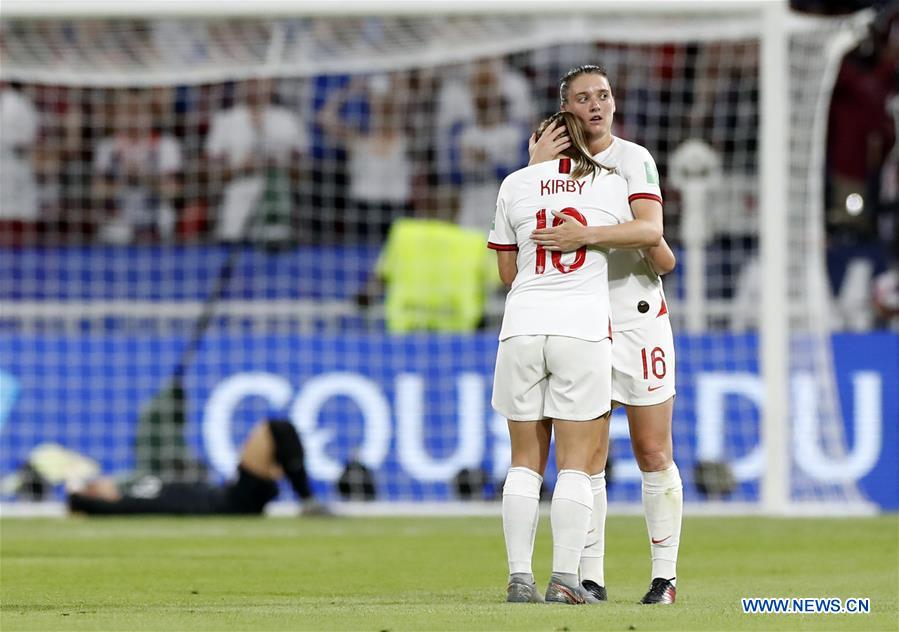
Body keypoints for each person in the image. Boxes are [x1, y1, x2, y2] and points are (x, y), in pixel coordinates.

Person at [528, 64, 681, 605]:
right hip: (581, 324)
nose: (597, 104)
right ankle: (588, 577)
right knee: (586, 456)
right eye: (584, 98)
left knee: (651, 448)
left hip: (638, 321)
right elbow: (523, 234)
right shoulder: (552, 171)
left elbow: (653, 234)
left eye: (605, 95)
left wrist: (588, 235)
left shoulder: (633, 159)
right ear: (565, 107)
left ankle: (665, 577)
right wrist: (533, 171)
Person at [489, 111, 630, 605]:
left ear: (538, 141)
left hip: (523, 327)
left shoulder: (514, 185)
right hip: (583, 331)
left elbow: (507, 271)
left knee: (525, 461)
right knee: (575, 464)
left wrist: (532, 172)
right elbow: (644, 238)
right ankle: (566, 579)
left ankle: (519, 579)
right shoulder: (611, 186)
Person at [67, 418, 329, 516]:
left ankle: (305, 495)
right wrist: (79, 496)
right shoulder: (129, 503)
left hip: (228, 493)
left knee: (277, 434)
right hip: (231, 504)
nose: (98, 483)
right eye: (93, 487)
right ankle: (307, 499)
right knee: (275, 429)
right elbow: (82, 503)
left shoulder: (138, 482)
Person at [205, 78, 309, 242]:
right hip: (237, 203)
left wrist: (277, 165)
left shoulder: (288, 120)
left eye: (262, 81)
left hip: (276, 201)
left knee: (276, 247)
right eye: (251, 81)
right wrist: (240, 167)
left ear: (272, 85)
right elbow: (208, 174)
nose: (256, 87)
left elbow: (304, 172)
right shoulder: (225, 120)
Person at [317, 73, 414, 241]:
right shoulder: (357, 140)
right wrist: (351, 89)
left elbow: (407, 102)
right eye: (377, 101)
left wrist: (396, 84)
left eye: (386, 102)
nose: (383, 106)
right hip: (363, 210)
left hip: (397, 210)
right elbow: (324, 118)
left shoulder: (405, 140)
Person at [92, 88, 183, 244]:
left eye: (138, 111)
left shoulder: (166, 145)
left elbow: (174, 191)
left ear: (151, 115)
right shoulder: (108, 146)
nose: (133, 118)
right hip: (119, 219)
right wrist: (125, 179)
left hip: (155, 218)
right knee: (117, 232)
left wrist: (145, 177)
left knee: (165, 218)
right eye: (128, 111)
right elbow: (97, 192)